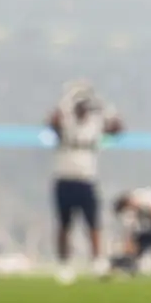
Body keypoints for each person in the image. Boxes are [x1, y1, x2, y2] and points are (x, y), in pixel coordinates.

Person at [48, 79, 122, 283]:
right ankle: (64, 265)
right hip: (64, 179)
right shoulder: (65, 122)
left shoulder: (95, 124)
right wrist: (66, 101)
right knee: (64, 225)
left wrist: (105, 108)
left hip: (87, 180)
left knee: (93, 224)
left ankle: (98, 263)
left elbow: (117, 129)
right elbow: (51, 122)